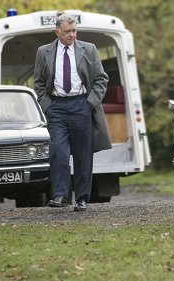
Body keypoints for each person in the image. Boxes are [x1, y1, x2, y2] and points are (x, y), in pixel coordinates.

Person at [34, 13, 111, 211]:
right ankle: (60, 195)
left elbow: (101, 79)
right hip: (57, 107)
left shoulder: (89, 49)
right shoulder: (44, 52)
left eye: (74, 30)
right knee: (58, 151)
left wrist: (89, 103)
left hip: (81, 105)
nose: (72, 35)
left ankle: (82, 198)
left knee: (83, 154)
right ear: (57, 32)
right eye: (67, 31)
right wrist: (47, 106)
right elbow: (39, 83)